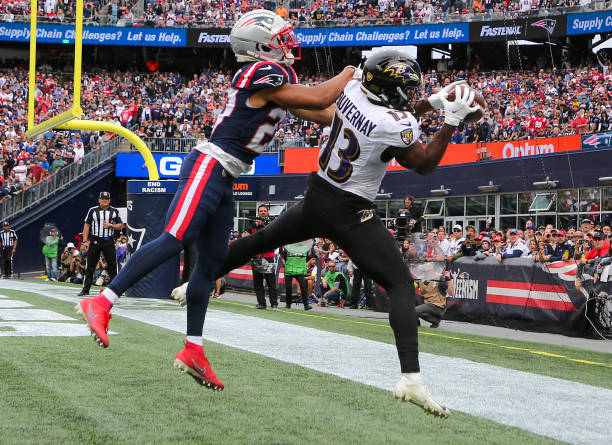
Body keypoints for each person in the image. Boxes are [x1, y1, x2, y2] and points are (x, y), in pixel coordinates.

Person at [76, 9, 356, 391]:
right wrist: (353, 71)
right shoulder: (258, 73)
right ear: (262, 45)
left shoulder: (277, 81)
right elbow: (323, 94)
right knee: (175, 238)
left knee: (207, 268)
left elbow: (324, 112)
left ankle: (193, 348)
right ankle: (103, 301)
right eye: (282, 38)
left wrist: (361, 103)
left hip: (228, 175)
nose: (290, 44)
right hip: (209, 165)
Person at [214, 48, 479, 417]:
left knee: (261, 240)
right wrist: (450, 121)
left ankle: (195, 280)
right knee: (401, 284)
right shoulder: (392, 123)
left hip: (317, 195)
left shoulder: (353, 90)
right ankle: (411, 378)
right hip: (350, 211)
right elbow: (423, 164)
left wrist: (431, 104)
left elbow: (392, 116)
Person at [78, 192, 123, 296]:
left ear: (109, 200)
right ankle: (85, 289)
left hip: (108, 241)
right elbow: (87, 225)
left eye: (106, 199)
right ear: (99, 200)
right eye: (102, 199)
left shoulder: (114, 211)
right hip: (95, 240)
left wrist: (111, 225)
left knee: (112, 265)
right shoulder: (93, 210)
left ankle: (115, 291)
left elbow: (121, 225)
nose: (104, 200)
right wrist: (85, 241)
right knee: (90, 265)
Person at [249, 204, 279, 310]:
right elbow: (248, 233)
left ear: (267, 212)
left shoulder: (272, 224)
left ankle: (274, 304)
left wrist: (266, 222)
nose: (262, 212)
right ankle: (261, 303)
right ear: (258, 213)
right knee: (258, 283)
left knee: (271, 282)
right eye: (260, 211)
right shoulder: (253, 224)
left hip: (268, 256)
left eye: (264, 211)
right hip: (256, 256)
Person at [280, 242, 312, 310]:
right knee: (288, 288)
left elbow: (309, 256)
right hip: (290, 270)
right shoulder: (288, 247)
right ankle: (288, 304)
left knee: (303, 287)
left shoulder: (305, 247)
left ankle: (306, 305)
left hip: (299, 270)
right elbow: (283, 255)